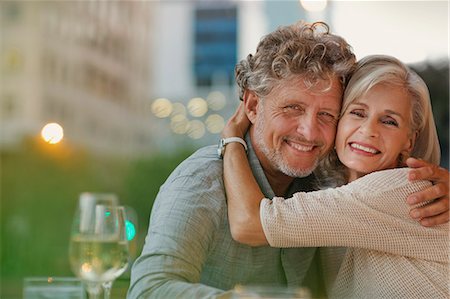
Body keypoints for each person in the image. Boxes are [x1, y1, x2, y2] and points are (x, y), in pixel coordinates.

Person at [127, 21, 448, 298]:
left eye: (326, 114)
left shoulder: (331, 185)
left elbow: (253, 223)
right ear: (252, 106)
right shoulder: (203, 180)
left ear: (410, 139)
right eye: (292, 108)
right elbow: (149, 290)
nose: (309, 132)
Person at [221, 55, 449, 298]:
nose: (369, 130)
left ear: (409, 141)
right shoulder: (334, 192)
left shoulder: (400, 188)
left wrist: (232, 136)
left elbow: (249, 224)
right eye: (358, 113)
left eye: (389, 121)